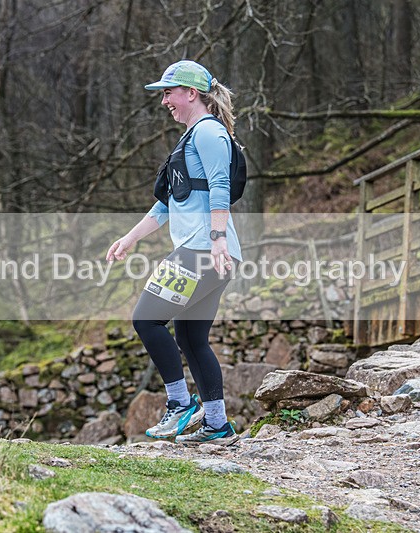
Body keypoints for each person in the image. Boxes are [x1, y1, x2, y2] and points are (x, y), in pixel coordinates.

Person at [106, 60, 242, 445]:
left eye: (168, 92)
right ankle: (216, 425)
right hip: (207, 251)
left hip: (203, 250)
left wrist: (217, 240)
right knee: (191, 337)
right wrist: (129, 239)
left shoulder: (209, 132)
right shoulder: (191, 138)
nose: (164, 100)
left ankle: (180, 405)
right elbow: (166, 205)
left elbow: (220, 187)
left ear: (191, 94)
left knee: (146, 320)